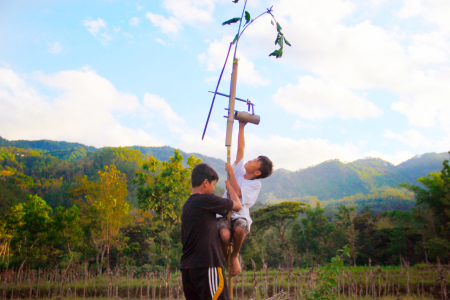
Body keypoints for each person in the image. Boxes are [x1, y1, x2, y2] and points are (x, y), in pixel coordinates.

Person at [217, 121, 273, 276]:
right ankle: (226, 256)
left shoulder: (255, 185)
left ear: (257, 173)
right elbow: (240, 148)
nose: (251, 160)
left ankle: (234, 255)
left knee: (240, 228)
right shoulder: (240, 169)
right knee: (224, 235)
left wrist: (232, 175)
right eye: (254, 158)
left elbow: (238, 193)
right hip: (223, 212)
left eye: (255, 162)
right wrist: (242, 126)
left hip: (240, 214)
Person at [180, 163, 242, 300]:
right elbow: (237, 205)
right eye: (213, 184)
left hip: (188, 268)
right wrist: (230, 188)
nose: (214, 188)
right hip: (207, 265)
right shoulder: (205, 199)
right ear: (206, 182)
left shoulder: (188, 204)